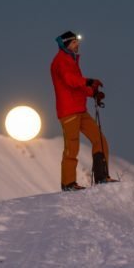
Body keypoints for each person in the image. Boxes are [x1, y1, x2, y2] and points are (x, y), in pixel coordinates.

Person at [50, 31, 117, 191]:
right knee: (72, 148)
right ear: (66, 44)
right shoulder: (61, 61)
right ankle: (68, 184)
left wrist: (92, 92)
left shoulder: (71, 60)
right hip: (68, 112)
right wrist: (89, 81)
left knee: (99, 140)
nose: (77, 45)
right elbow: (70, 80)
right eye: (74, 42)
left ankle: (101, 177)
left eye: (77, 42)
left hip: (80, 110)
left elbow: (78, 86)